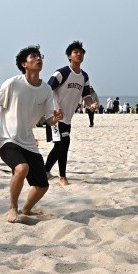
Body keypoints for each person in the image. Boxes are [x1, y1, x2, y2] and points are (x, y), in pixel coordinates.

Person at [0, 45, 63, 223]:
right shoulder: (13, 83)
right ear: (24, 64)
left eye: (40, 56)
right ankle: (12, 209)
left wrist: (56, 118)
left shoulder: (46, 89)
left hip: (28, 141)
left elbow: (48, 120)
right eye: (33, 56)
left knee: (42, 186)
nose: (38, 59)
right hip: (7, 138)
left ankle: (26, 209)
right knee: (21, 168)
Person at [45, 41, 92, 186]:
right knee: (64, 143)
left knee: (58, 146)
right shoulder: (62, 73)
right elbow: (46, 89)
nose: (79, 54)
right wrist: (49, 110)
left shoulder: (84, 76)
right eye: (75, 52)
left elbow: (86, 96)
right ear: (69, 56)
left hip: (68, 117)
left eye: (81, 52)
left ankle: (45, 171)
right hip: (56, 116)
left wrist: (92, 105)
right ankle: (62, 177)